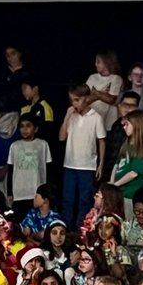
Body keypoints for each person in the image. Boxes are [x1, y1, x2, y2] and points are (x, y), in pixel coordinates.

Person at [59, 84, 106, 229]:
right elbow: (61, 137)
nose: (74, 104)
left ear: (86, 99)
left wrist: (100, 164)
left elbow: (101, 141)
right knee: (68, 199)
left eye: (77, 100)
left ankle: (82, 230)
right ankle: (65, 229)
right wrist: (67, 116)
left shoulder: (96, 117)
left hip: (87, 165)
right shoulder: (71, 116)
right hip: (70, 164)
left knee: (85, 200)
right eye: (72, 100)